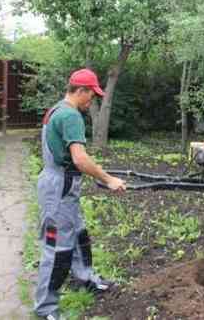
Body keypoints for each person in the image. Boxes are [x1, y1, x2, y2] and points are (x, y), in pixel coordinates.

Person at [34, 68, 126, 320]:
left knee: (78, 234)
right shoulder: (71, 116)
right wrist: (108, 180)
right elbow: (80, 158)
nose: (92, 101)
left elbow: (72, 157)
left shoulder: (56, 109)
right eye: (91, 95)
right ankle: (46, 309)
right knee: (58, 249)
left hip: (59, 181)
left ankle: (86, 279)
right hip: (59, 187)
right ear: (81, 90)